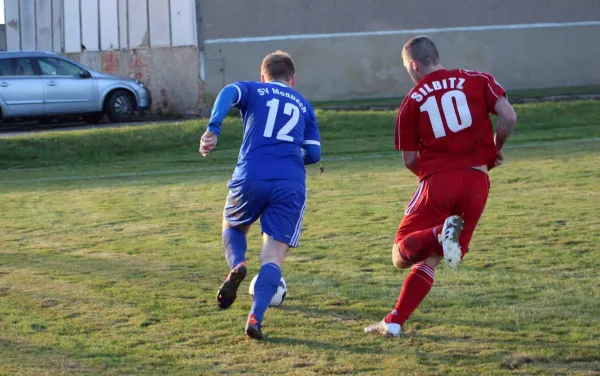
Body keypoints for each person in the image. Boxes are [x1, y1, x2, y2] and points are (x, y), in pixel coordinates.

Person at [364, 36, 517, 337]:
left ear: (414, 65)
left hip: (439, 181)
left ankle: (438, 231)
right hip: (478, 181)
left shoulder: (412, 99)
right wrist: (494, 149)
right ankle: (394, 320)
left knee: (399, 254)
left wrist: (432, 177)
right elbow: (509, 116)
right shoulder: (478, 79)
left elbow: (410, 159)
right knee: (433, 256)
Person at [199, 51, 321, 340]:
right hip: (289, 182)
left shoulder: (252, 89)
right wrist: (288, 155)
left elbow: (229, 92)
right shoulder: (304, 104)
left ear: (263, 75)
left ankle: (238, 263)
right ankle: (256, 315)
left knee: (233, 227)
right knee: (273, 257)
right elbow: (314, 154)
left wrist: (213, 128)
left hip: (250, 175)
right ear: (292, 79)